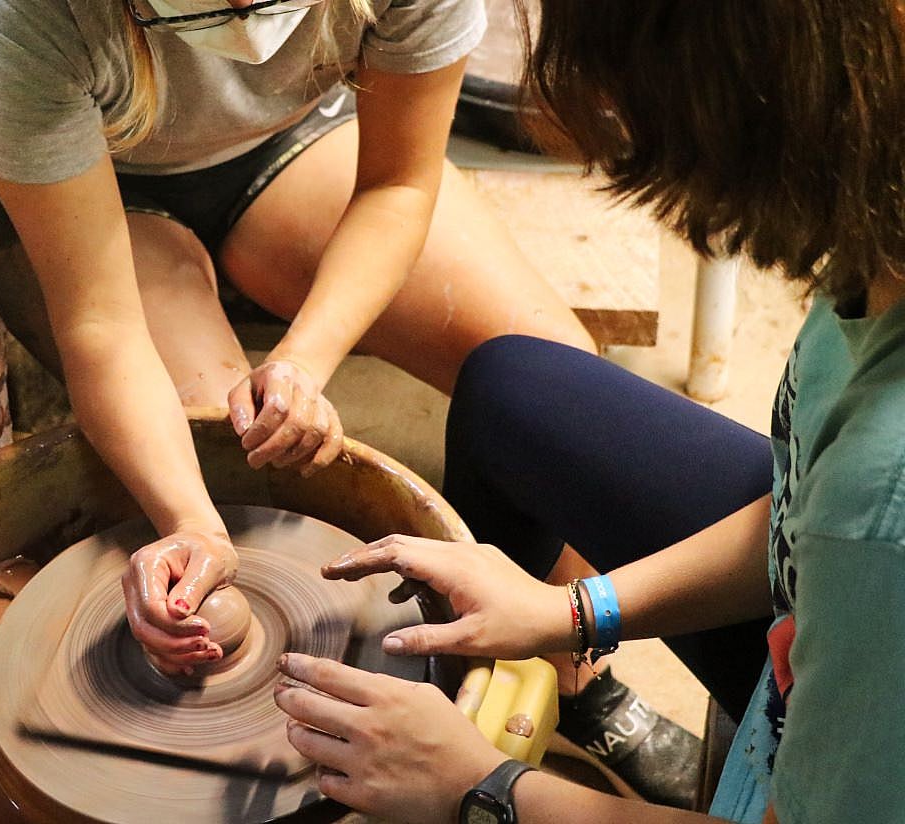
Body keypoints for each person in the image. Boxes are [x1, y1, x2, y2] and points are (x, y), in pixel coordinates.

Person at [273, 0, 905, 821]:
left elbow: (849, 519)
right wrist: (571, 612)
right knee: (513, 388)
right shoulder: (880, 213)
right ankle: (583, 689)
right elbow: (801, 511)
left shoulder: (879, 507)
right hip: (834, 613)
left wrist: (481, 785)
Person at [0, 0, 595, 681]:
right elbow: (101, 324)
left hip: (289, 135)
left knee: (565, 391)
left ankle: (577, 681)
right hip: (98, 183)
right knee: (230, 471)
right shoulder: (17, 11)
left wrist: (302, 363)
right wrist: (191, 523)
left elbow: (397, 185)